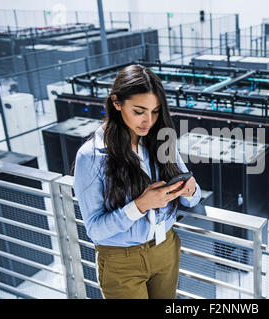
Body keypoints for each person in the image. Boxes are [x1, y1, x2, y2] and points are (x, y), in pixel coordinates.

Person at [73, 64, 201, 299]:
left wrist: (189, 190)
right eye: (139, 111)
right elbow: (95, 230)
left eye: (155, 111)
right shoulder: (91, 156)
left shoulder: (161, 140)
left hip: (165, 249)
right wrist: (141, 205)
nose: (148, 121)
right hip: (122, 261)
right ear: (117, 103)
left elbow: (195, 197)